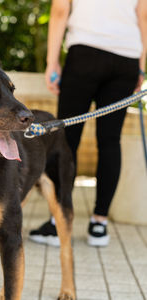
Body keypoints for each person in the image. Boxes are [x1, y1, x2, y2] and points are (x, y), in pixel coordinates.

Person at [29, 0, 147, 247]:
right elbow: (143, 16)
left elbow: (60, 10)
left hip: (85, 53)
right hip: (126, 58)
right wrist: (141, 67)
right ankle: (99, 224)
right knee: (110, 141)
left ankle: (57, 221)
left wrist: (52, 62)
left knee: (66, 139)